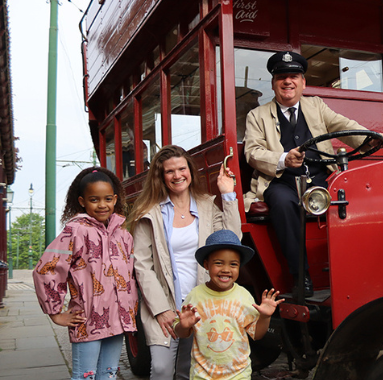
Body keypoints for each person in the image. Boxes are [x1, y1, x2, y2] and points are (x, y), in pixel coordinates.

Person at [244, 51, 383, 297]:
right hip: (282, 181)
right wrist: (283, 159)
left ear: (303, 83)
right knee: (281, 203)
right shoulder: (257, 116)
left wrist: (370, 138)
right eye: (282, 77)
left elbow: (343, 126)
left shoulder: (316, 105)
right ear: (273, 83)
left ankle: (361, 272)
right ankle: (301, 276)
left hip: (321, 179)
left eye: (293, 76)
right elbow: (252, 152)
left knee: (357, 196)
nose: (287, 82)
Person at [128, 145, 242, 380]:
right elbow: (142, 265)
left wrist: (228, 195)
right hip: (164, 304)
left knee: (187, 370)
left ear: (190, 171)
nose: (177, 175)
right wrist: (161, 310)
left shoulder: (207, 206)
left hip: (200, 303)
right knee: (160, 369)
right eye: (170, 171)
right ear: (161, 176)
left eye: (182, 168)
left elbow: (232, 243)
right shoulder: (149, 213)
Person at [33, 167, 137, 380]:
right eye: (94, 199)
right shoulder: (75, 231)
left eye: (107, 199)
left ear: (115, 199)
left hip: (118, 320)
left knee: (108, 376)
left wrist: (130, 309)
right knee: (85, 376)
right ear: (82, 201)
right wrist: (55, 312)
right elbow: (46, 269)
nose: (102, 205)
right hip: (87, 320)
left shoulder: (123, 234)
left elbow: (130, 275)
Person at [174, 229, 283, 380]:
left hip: (238, 375)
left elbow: (257, 335)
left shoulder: (244, 296)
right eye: (218, 263)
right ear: (206, 265)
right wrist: (184, 326)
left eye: (233, 264)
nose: (226, 270)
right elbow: (181, 333)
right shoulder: (195, 296)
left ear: (239, 267)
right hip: (203, 376)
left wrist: (264, 317)